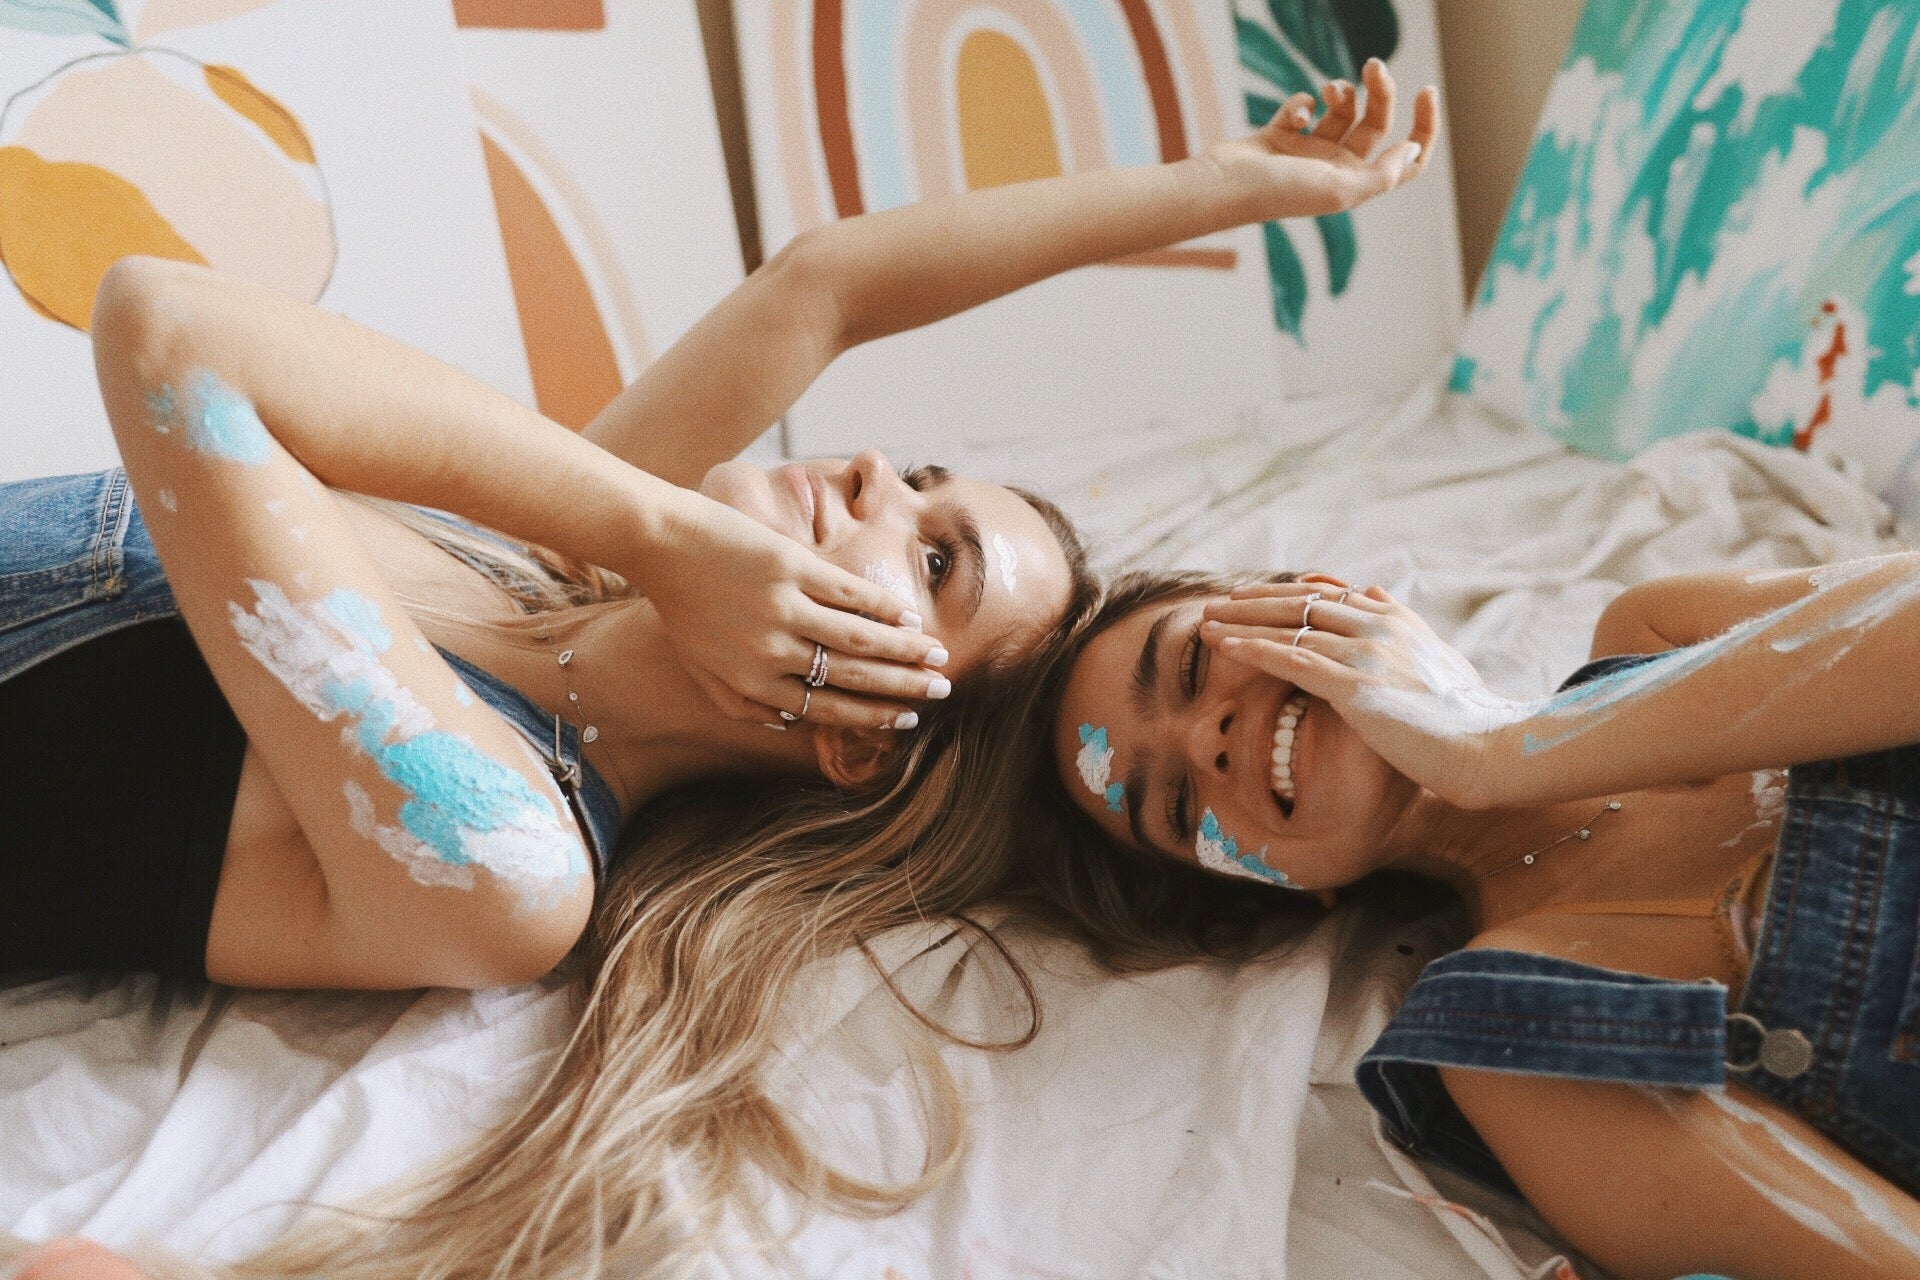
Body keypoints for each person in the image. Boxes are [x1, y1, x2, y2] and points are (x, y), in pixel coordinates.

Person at [0, 60, 1440, 1280]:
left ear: (861, 742)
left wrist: (655, 530)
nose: (871, 469)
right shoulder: (550, 554)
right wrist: (1229, 185)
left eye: (931, 555)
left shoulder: (512, 854)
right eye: (926, 476)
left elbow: (169, 330)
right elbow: (827, 283)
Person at [1046, 553, 1920, 1280]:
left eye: (1193, 667)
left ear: (1324, 594)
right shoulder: (1509, 1029)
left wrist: (1503, 748)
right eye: (1172, 804)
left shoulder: (1655, 634)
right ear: (1282, 886)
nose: (1205, 743)